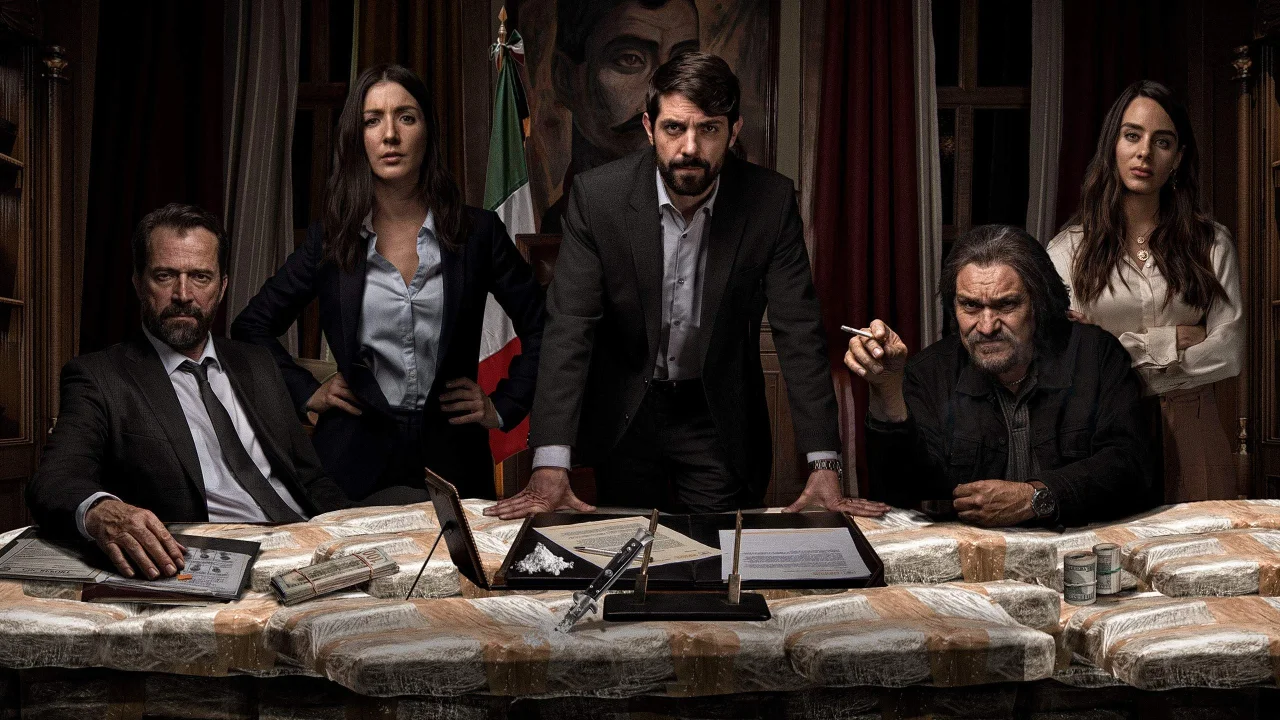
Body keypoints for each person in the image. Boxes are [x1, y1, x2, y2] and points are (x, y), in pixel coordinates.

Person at [487, 52, 889, 520]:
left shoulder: (770, 202)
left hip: (716, 414)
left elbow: (799, 331)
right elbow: (569, 327)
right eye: (674, 128)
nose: (690, 148)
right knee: (629, 551)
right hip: (625, 412)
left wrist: (823, 463)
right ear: (649, 127)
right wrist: (550, 460)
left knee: (721, 553)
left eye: (709, 129)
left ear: (734, 132)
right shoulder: (598, 198)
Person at [232, 64, 544, 502]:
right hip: (350, 459)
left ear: (427, 131)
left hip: (453, 457)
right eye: (372, 120)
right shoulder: (331, 240)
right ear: (357, 137)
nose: (390, 135)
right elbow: (251, 327)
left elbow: (545, 327)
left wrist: (504, 405)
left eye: (406, 117)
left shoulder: (477, 234)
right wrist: (309, 392)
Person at [27, 204, 353, 579]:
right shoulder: (100, 377)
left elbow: (310, 479)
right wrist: (101, 510)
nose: (183, 294)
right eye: (165, 276)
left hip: (306, 543)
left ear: (222, 286)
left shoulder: (257, 363)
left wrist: (354, 531)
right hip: (210, 562)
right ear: (138, 282)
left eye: (200, 277)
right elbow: (55, 480)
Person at [846, 225, 1156, 528]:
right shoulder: (931, 373)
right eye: (970, 306)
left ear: (1039, 304)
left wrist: (1035, 497)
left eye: (1006, 305)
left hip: (1078, 548)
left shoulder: (1095, 356)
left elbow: (1131, 466)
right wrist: (887, 390)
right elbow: (899, 490)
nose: (986, 326)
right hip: (975, 554)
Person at [1048, 80, 1243, 502]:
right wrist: (1172, 341)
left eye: (1163, 142)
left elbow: (1228, 352)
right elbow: (1072, 361)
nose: (1144, 153)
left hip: (1195, 432)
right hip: (1103, 434)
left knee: (1204, 543)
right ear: (1112, 146)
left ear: (1178, 158)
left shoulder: (1212, 243)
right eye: (1132, 135)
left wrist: (1113, 348)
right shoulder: (1067, 252)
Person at [541, 0, 701, 232]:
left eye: (681, 63)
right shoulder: (560, 226)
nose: (663, 95)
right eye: (630, 59)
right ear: (565, 78)